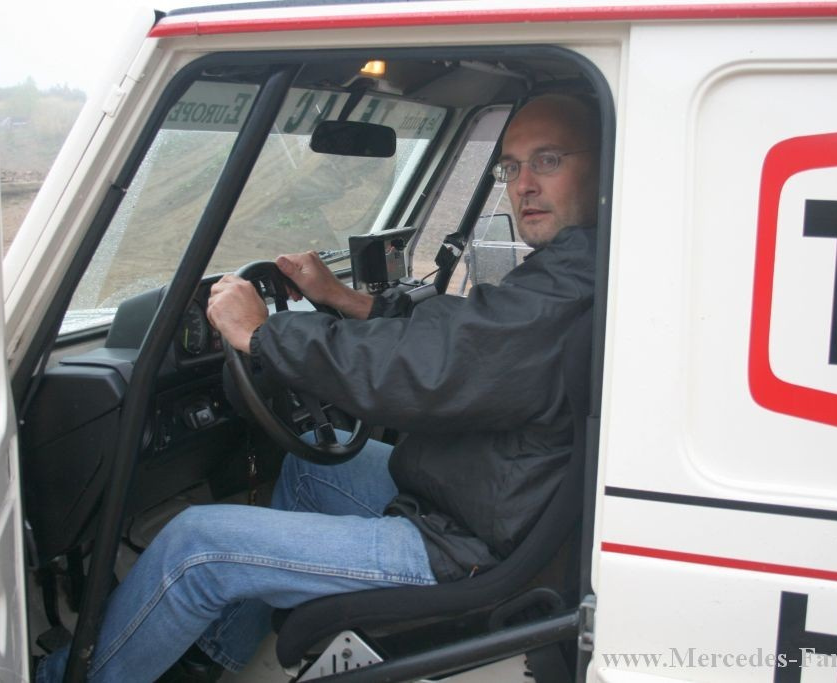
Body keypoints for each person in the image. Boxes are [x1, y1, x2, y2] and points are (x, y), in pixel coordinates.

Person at [36, 93, 600, 683]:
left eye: (548, 161)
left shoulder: (569, 281)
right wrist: (345, 300)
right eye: (511, 166)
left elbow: (430, 367)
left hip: (468, 551)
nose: (523, 184)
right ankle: (219, 655)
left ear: (602, 166)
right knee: (310, 464)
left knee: (194, 546)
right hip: (496, 500)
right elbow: (471, 335)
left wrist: (263, 334)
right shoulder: (577, 266)